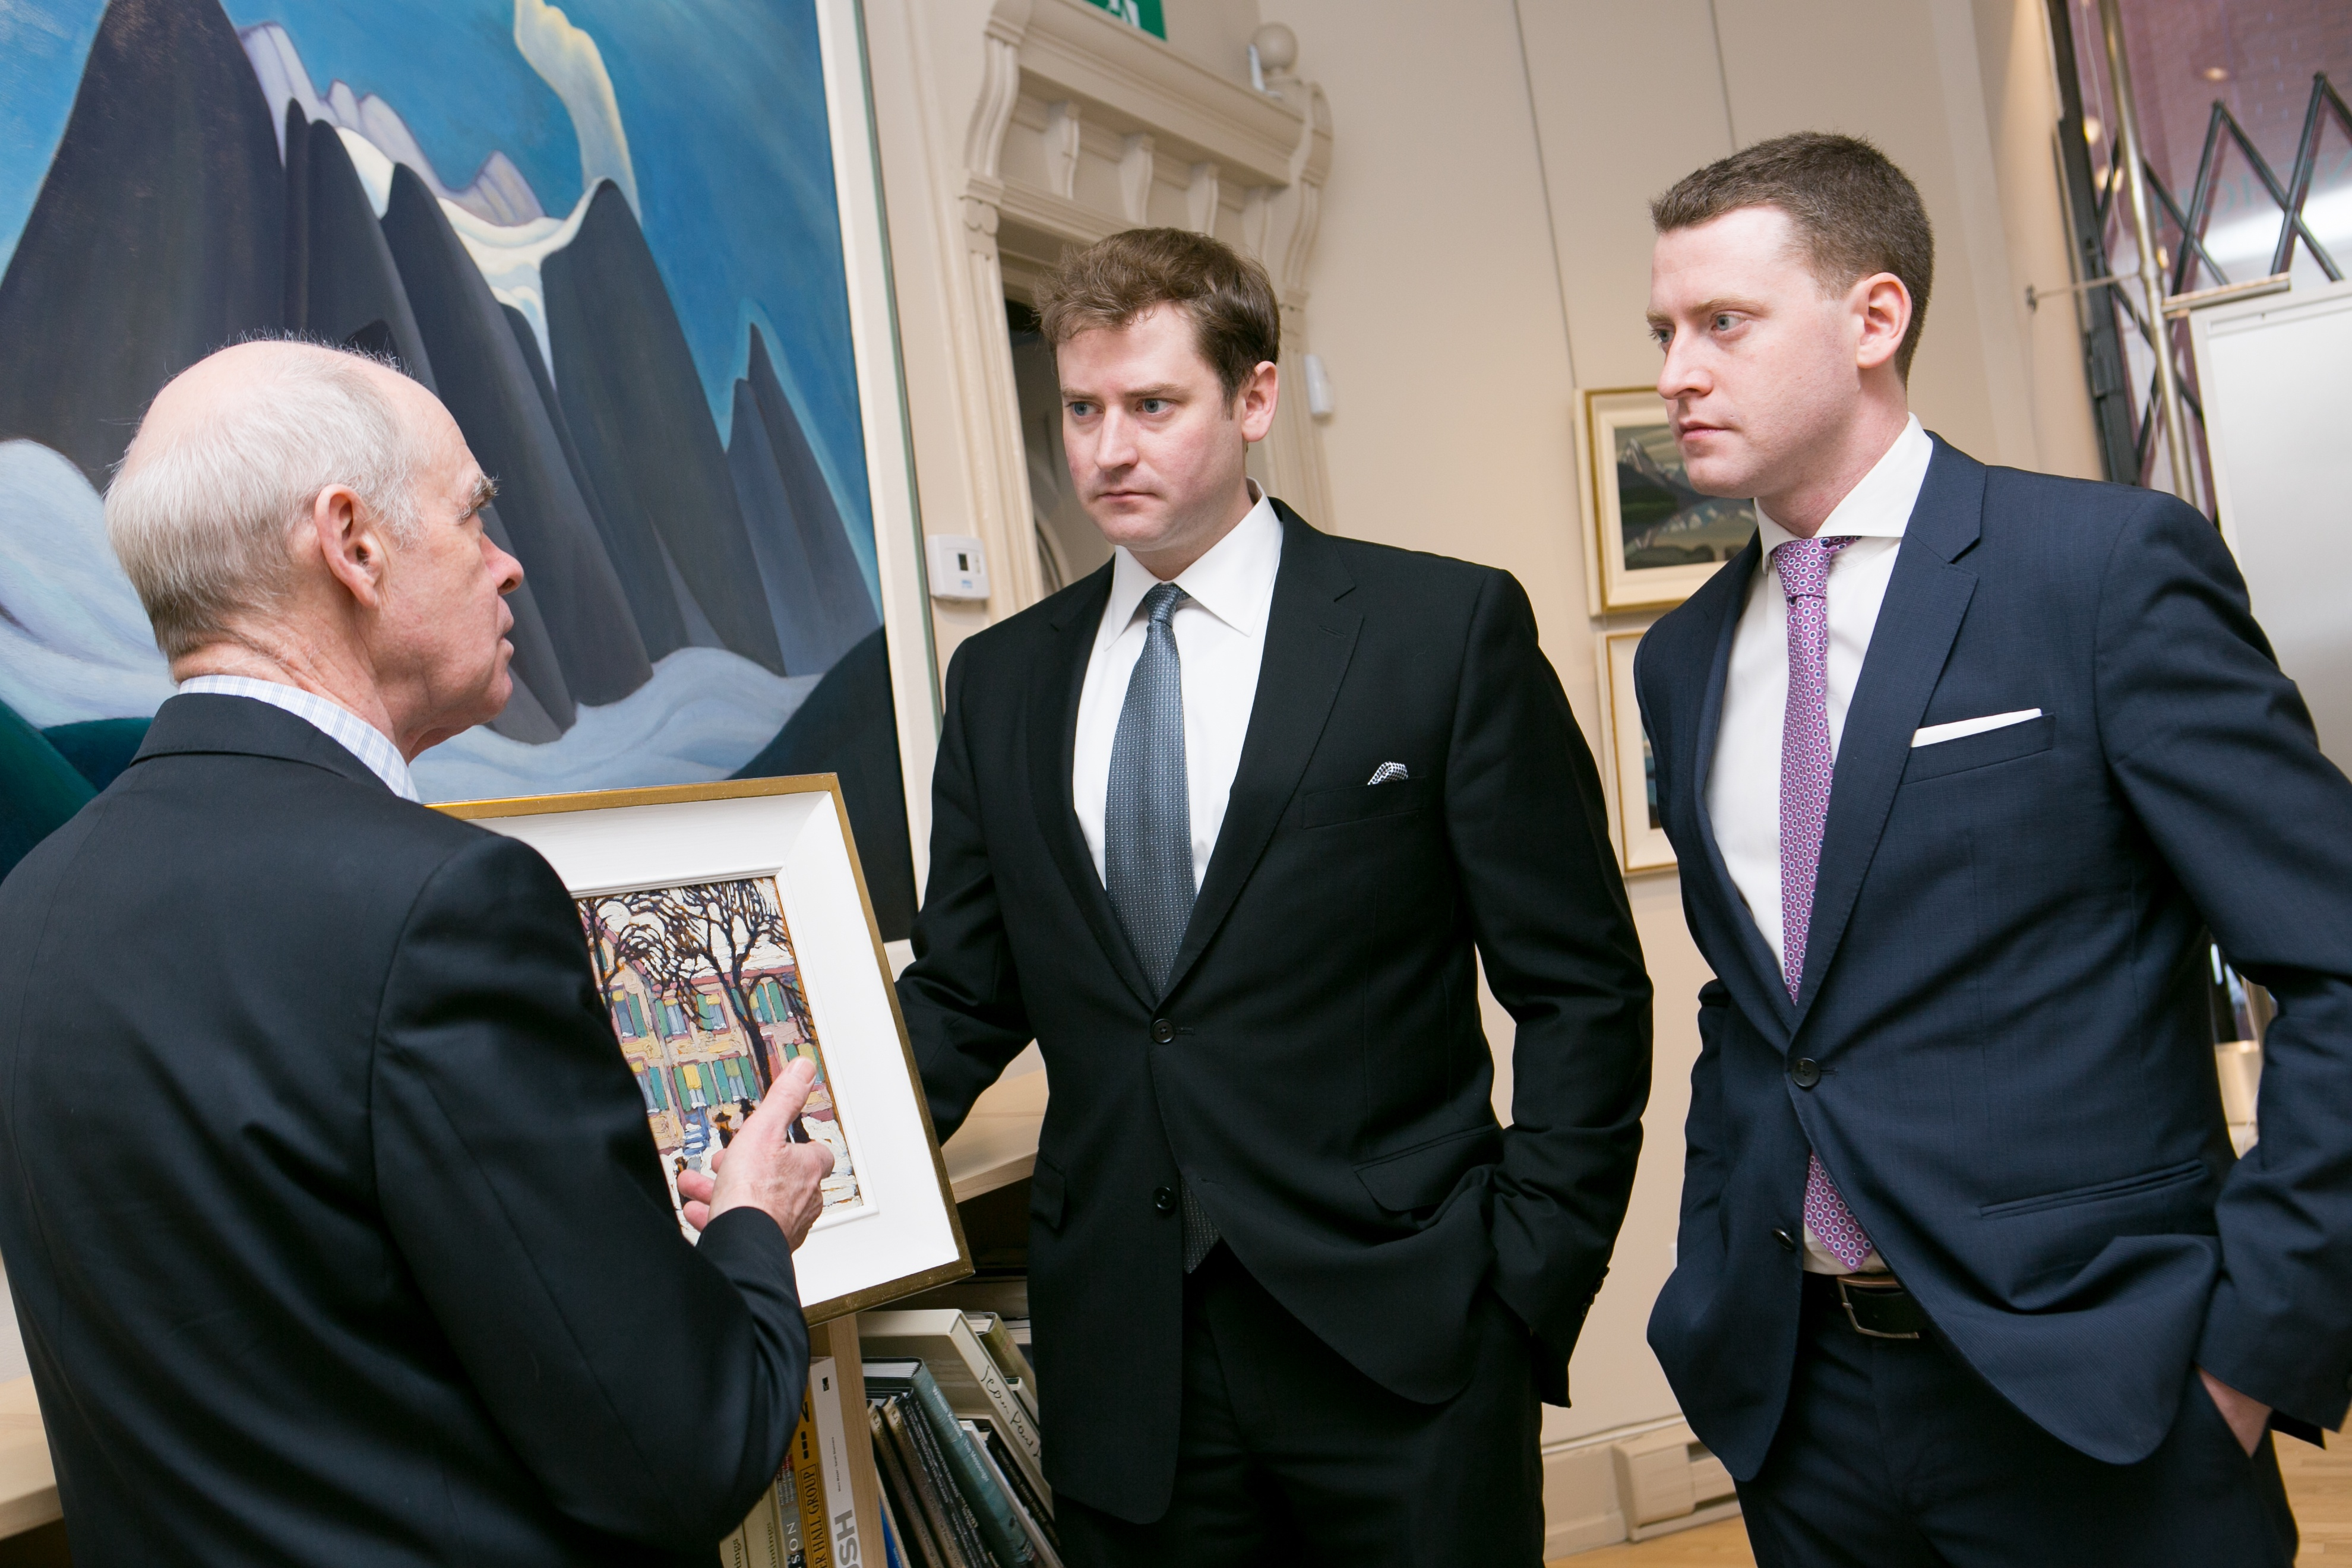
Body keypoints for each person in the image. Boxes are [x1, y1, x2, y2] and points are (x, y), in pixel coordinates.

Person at [1634, 133, 2352, 1566]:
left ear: (1874, 319)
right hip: (1806, 1401)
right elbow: (1763, 1008)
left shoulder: (2097, 571)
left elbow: (2335, 969)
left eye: (1724, 324)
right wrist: (1717, 1276)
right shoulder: (1685, 659)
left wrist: (2250, 1354)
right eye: (1662, 330)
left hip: (2105, 1394)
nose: (1675, 374)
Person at [0, 340, 836, 1564]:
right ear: (352, 542)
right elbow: (683, 1454)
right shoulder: (447, 908)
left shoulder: (30, 907)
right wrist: (755, 1227)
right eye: (473, 515)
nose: (506, 565)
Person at [896, 227, 1653, 1565]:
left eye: (1151, 405)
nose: (1106, 450)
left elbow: (1581, 985)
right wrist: (808, 1156)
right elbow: (965, 994)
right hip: (1129, 1363)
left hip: (1407, 1339)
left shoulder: (1441, 633)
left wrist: (1528, 1281)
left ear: (1253, 401)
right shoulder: (1004, 683)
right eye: (1080, 410)